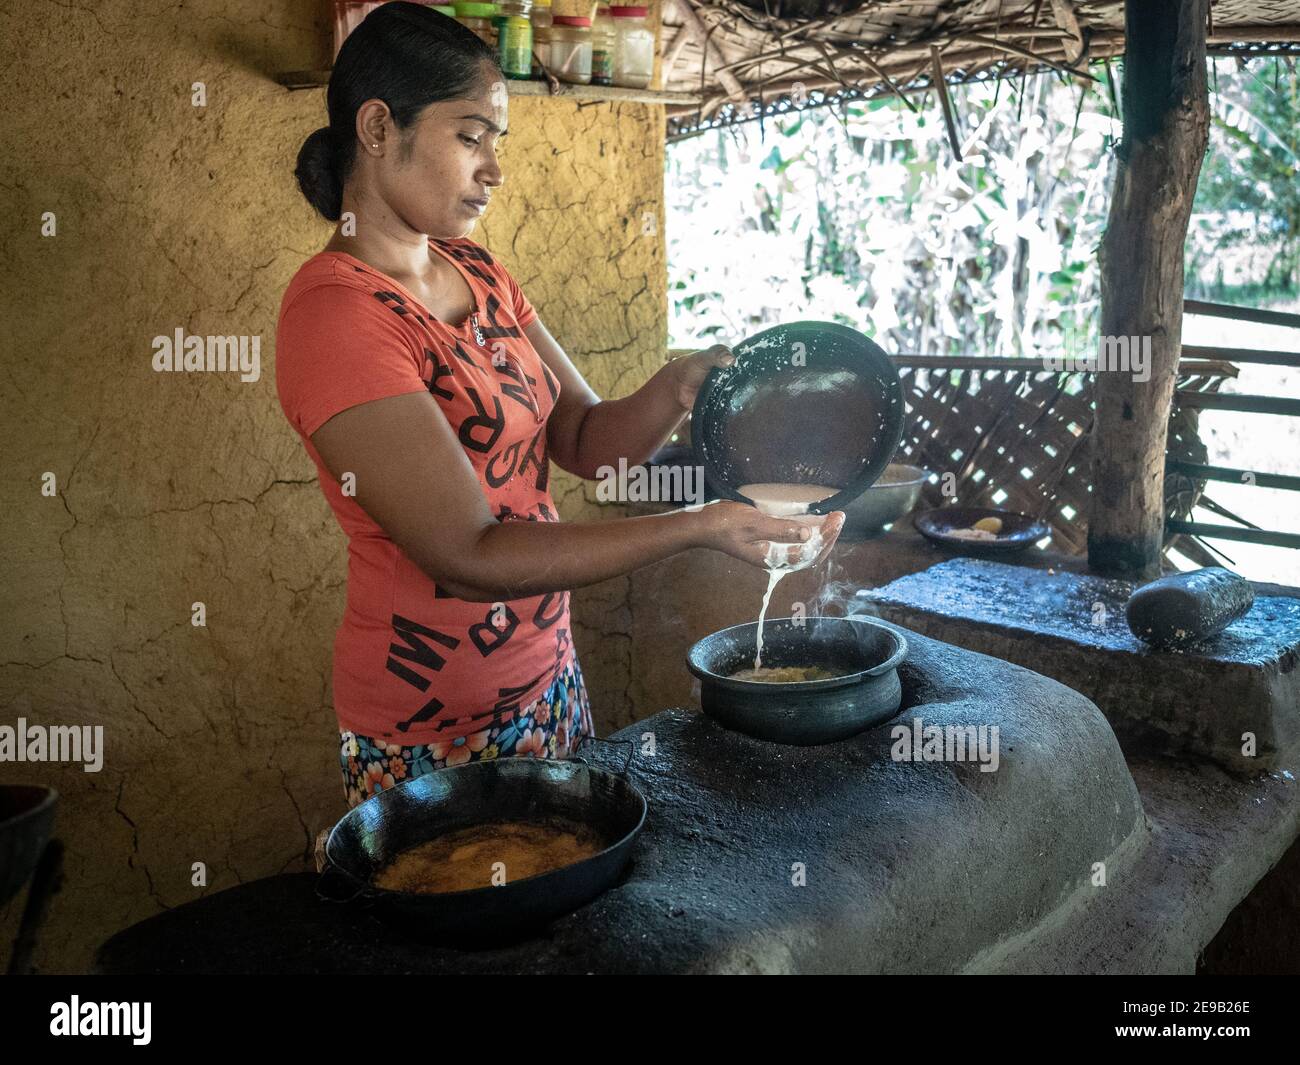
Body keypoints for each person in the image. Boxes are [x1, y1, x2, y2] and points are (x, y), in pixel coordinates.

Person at [275, 2, 843, 808]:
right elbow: (467, 554)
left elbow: (584, 440)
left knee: (567, 912)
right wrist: (702, 525)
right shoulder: (335, 315)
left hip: (548, 677)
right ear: (376, 128)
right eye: (471, 136)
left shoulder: (481, 273)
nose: (494, 169)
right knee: (468, 917)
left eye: (496, 143)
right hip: (433, 726)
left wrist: (677, 387)